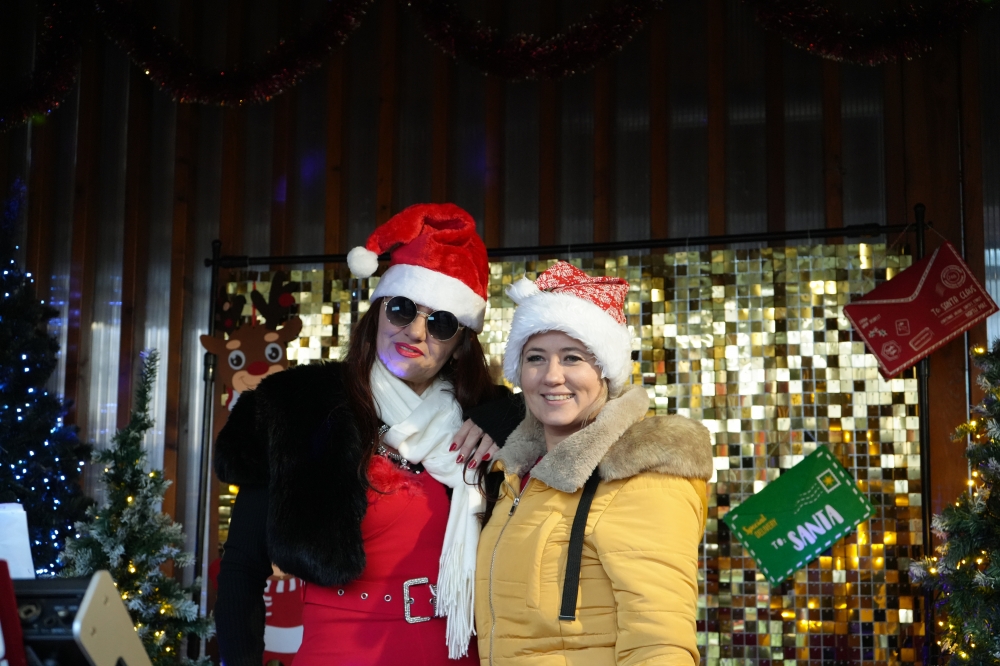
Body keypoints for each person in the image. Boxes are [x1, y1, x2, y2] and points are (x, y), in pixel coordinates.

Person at [215, 203, 523, 666]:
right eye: (402, 309)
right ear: (378, 313)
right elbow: (242, 568)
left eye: (440, 323)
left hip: (458, 650)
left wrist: (514, 413)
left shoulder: (484, 419)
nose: (415, 331)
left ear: (460, 344)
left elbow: (580, 418)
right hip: (339, 650)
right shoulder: (299, 408)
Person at [475, 261, 713, 665]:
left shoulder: (641, 476)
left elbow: (659, 645)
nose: (552, 376)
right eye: (535, 358)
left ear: (605, 370)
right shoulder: (516, 476)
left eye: (572, 358)